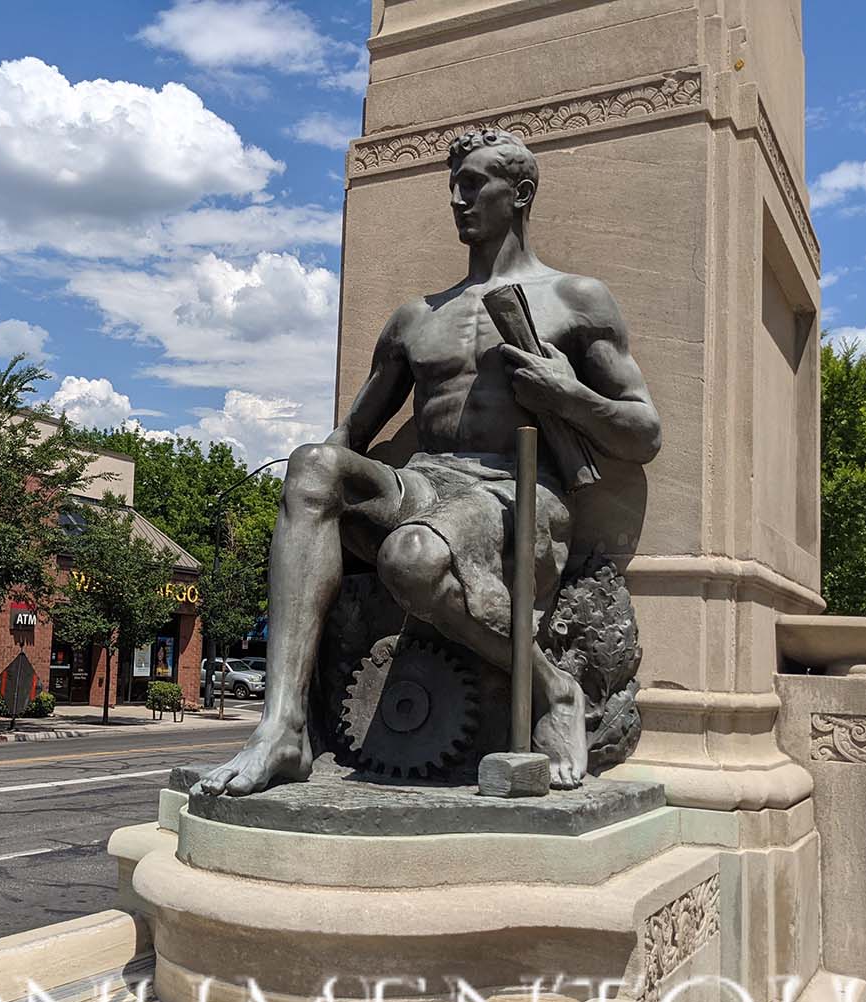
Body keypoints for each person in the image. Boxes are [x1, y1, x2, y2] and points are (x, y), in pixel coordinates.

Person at [194, 130, 661, 797]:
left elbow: (644, 432)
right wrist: (310, 513)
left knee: (410, 557)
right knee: (312, 465)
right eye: (452, 185)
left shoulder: (576, 298)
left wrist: (567, 394)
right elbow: (348, 437)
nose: (456, 199)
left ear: (521, 193)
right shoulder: (415, 318)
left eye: (473, 184)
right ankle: (283, 728)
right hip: (425, 479)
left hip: (516, 489)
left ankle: (553, 689)